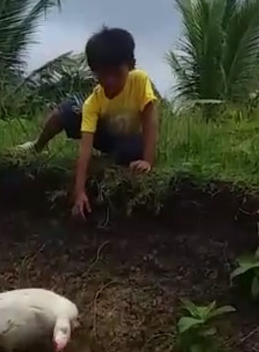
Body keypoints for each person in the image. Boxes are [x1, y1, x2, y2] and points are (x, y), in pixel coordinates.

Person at [18, 27, 158, 217]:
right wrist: (79, 192)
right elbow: (85, 148)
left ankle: (108, 161)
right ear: (94, 72)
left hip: (128, 140)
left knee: (132, 149)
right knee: (65, 111)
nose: (110, 81)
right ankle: (37, 146)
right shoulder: (93, 102)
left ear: (131, 66)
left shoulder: (139, 80)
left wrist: (148, 161)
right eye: (103, 75)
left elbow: (149, 120)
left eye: (117, 73)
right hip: (104, 134)